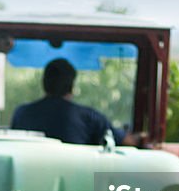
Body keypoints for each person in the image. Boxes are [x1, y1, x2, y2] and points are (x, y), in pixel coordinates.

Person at [10, 57, 143, 146]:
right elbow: (127, 141)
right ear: (72, 86)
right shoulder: (90, 118)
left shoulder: (21, 114)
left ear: (44, 83)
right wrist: (142, 137)